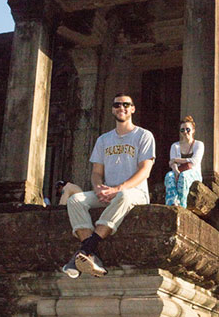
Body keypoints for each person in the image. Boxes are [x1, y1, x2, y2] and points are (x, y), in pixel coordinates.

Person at [62, 93, 156, 279]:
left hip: (134, 193)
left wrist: (118, 189)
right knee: (75, 200)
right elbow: (96, 172)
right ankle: (92, 258)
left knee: (125, 196)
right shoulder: (104, 140)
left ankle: (87, 248)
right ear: (113, 109)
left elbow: (145, 171)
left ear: (132, 108)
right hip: (108, 192)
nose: (122, 108)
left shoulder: (144, 136)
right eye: (117, 105)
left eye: (126, 104)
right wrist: (98, 188)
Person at [164, 116, 204, 208]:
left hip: (194, 173)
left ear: (193, 130)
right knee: (169, 176)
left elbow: (194, 161)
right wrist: (176, 171)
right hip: (179, 171)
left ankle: (182, 205)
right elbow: (172, 163)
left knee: (184, 176)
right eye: (182, 130)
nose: (185, 132)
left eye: (188, 129)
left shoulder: (199, 144)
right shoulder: (175, 146)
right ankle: (172, 203)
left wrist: (176, 160)